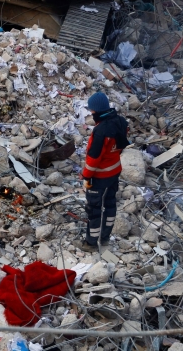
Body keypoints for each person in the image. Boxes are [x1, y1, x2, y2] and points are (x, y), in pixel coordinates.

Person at [82, 92, 129, 248]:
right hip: (115, 172)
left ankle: (91, 243)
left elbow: (94, 158)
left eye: (92, 111)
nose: (91, 114)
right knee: (110, 205)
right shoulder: (121, 122)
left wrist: (86, 177)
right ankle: (105, 237)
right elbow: (120, 147)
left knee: (94, 209)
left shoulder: (101, 130)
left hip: (99, 177)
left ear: (96, 110)